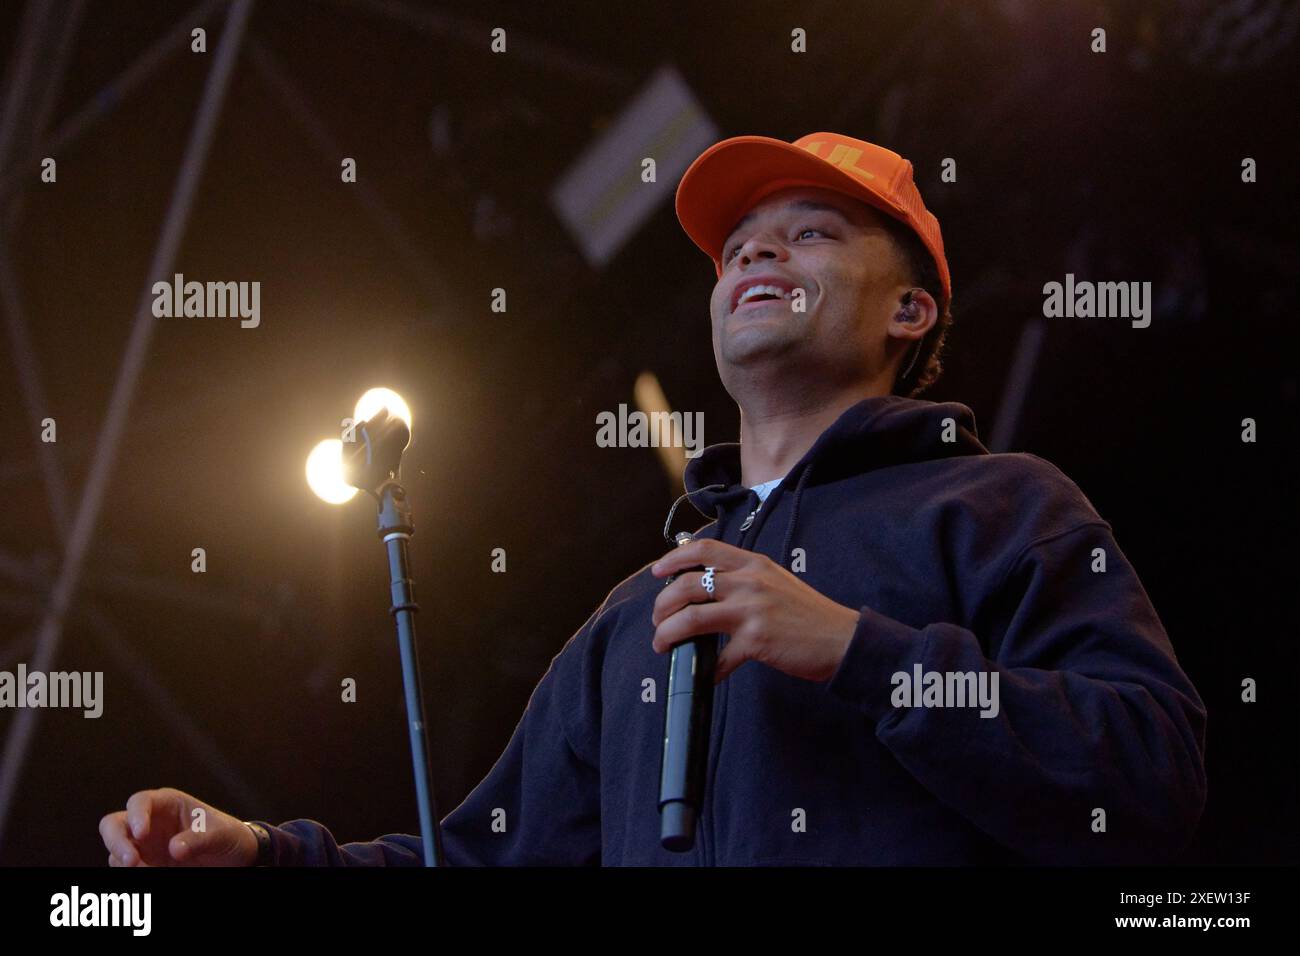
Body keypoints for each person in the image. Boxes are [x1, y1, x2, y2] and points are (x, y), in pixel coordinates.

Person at [99, 131, 1207, 867]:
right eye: (736, 245)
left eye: (811, 229)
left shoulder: (1005, 504)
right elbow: (483, 856)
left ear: (910, 310)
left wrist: (855, 650)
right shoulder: (638, 613)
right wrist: (264, 850)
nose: (757, 248)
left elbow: (1148, 766)